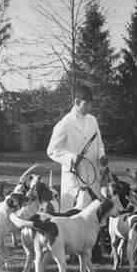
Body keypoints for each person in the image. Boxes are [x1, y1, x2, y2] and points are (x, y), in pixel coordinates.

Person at [47, 84, 109, 212]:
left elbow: (99, 143)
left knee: (92, 219)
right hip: (74, 180)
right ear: (77, 102)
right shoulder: (64, 124)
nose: (90, 107)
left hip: (92, 179)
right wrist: (72, 158)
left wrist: (101, 156)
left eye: (91, 103)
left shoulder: (93, 121)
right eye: (87, 104)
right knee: (71, 220)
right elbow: (52, 150)